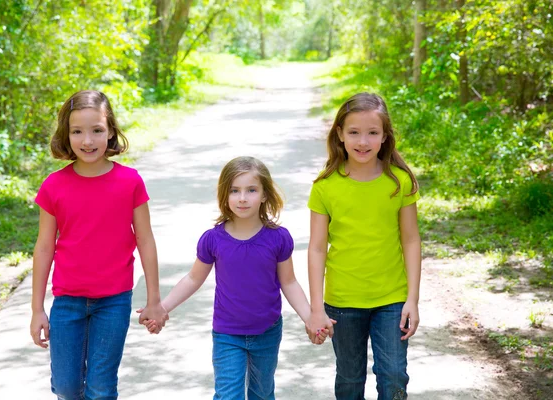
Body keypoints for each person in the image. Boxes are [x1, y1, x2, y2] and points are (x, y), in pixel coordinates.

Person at [145, 156, 328, 399]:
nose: (242, 198)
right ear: (225, 195)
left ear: (264, 195)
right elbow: (193, 279)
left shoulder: (278, 238)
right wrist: (162, 307)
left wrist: (311, 318)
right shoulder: (213, 240)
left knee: (262, 394)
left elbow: (289, 282)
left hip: (267, 331)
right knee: (228, 395)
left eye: (251, 190)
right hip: (227, 334)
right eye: (235, 190)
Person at [29, 90, 168, 399]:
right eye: (77, 131)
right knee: (67, 387)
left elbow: (145, 240)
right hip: (68, 301)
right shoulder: (54, 186)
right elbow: (43, 248)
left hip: (114, 301)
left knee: (101, 388)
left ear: (111, 132)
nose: (87, 140)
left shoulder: (129, 181)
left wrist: (155, 299)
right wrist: (37, 308)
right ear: (66, 135)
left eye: (97, 130)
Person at [306, 92, 421, 400]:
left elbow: (411, 239)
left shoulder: (398, 181)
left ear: (385, 137)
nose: (363, 141)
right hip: (342, 302)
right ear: (340, 135)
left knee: (394, 374)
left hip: (392, 299)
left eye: (372, 132)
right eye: (354, 132)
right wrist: (316, 308)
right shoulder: (325, 186)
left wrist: (413, 299)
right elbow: (316, 248)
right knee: (349, 378)